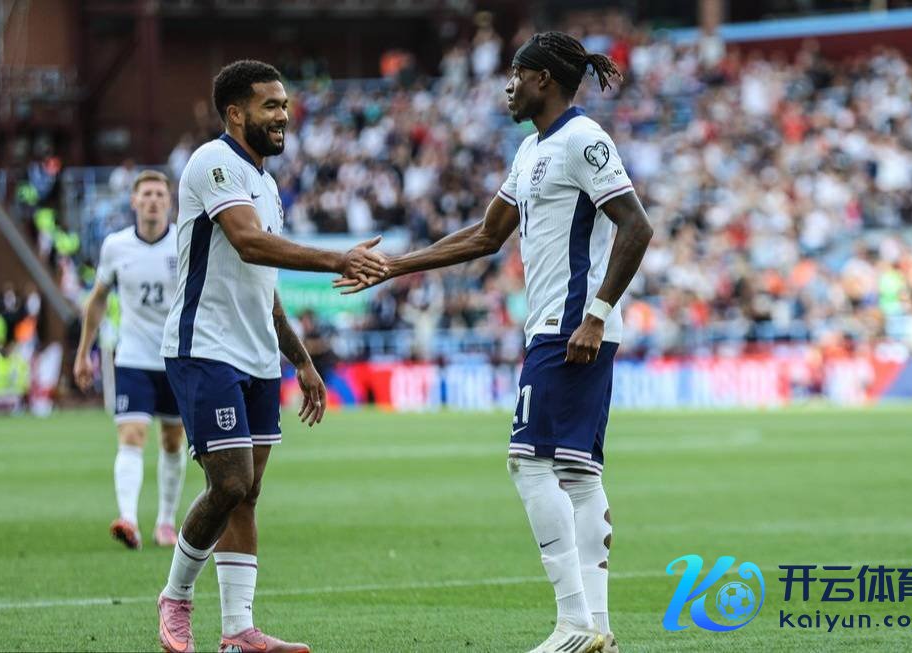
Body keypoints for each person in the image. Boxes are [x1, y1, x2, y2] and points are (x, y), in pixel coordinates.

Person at [337, 32, 652, 653]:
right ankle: (598, 630)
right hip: (554, 327)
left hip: (570, 327)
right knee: (576, 474)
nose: (508, 87)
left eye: (516, 74)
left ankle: (574, 624)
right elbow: (485, 236)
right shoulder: (532, 149)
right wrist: (396, 265)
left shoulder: (583, 139)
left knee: (527, 463)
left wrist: (595, 315)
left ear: (543, 79)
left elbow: (636, 226)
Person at [155, 60, 388, 653]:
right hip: (205, 346)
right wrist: (337, 259)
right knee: (229, 482)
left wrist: (301, 360)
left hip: (258, 354)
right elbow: (248, 242)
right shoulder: (213, 162)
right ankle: (176, 596)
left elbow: (266, 287)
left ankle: (238, 630)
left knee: (249, 491)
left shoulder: (266, 184)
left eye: (284, 105)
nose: (283, 115)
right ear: (236, 113)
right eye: (271, 106)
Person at [73, 170, 188, 551]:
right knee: (132, 434)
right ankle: (129, 520)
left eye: (159, 194)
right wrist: (84, 352)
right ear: (134, 201)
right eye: (146, 194)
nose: (153, 200)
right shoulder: (116, 246)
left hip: (176, 357)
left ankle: (166, 522)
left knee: (172, 439)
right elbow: (97, 300)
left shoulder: (184, 242)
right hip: (133, 356)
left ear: (169, 201)